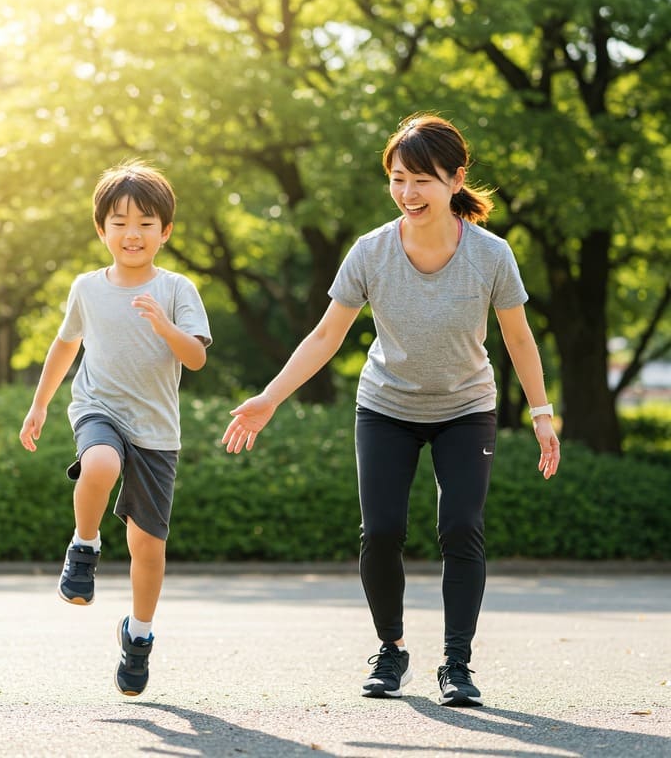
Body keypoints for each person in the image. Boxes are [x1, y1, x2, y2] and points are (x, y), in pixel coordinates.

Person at [222, 113, 560, 707]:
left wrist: (541, 413)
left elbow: (519, 337)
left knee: (461, 526)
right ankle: (392, 648)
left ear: (456, 180)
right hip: (386, 405)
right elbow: (326, 336)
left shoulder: (491, 255)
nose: (408, 192)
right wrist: (269, 398)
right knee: (380, 532)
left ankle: (457, 663)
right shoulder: (371, 252)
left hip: (466, 407)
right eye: (398, 179)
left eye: (422, 180)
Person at [19, 160, 211, 696]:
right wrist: (39, 406)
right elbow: (65, 346)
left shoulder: (177, 289)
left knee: (147, 546)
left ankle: (138, 634)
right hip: (98, 407)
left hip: (156, 430)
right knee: (99, 462)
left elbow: (196, 358)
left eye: (146, 223)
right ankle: (84, 545)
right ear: (101, 229)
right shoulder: (87, 287)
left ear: (165, 231)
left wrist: (164, 326)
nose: (133, 233)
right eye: (120, 222)